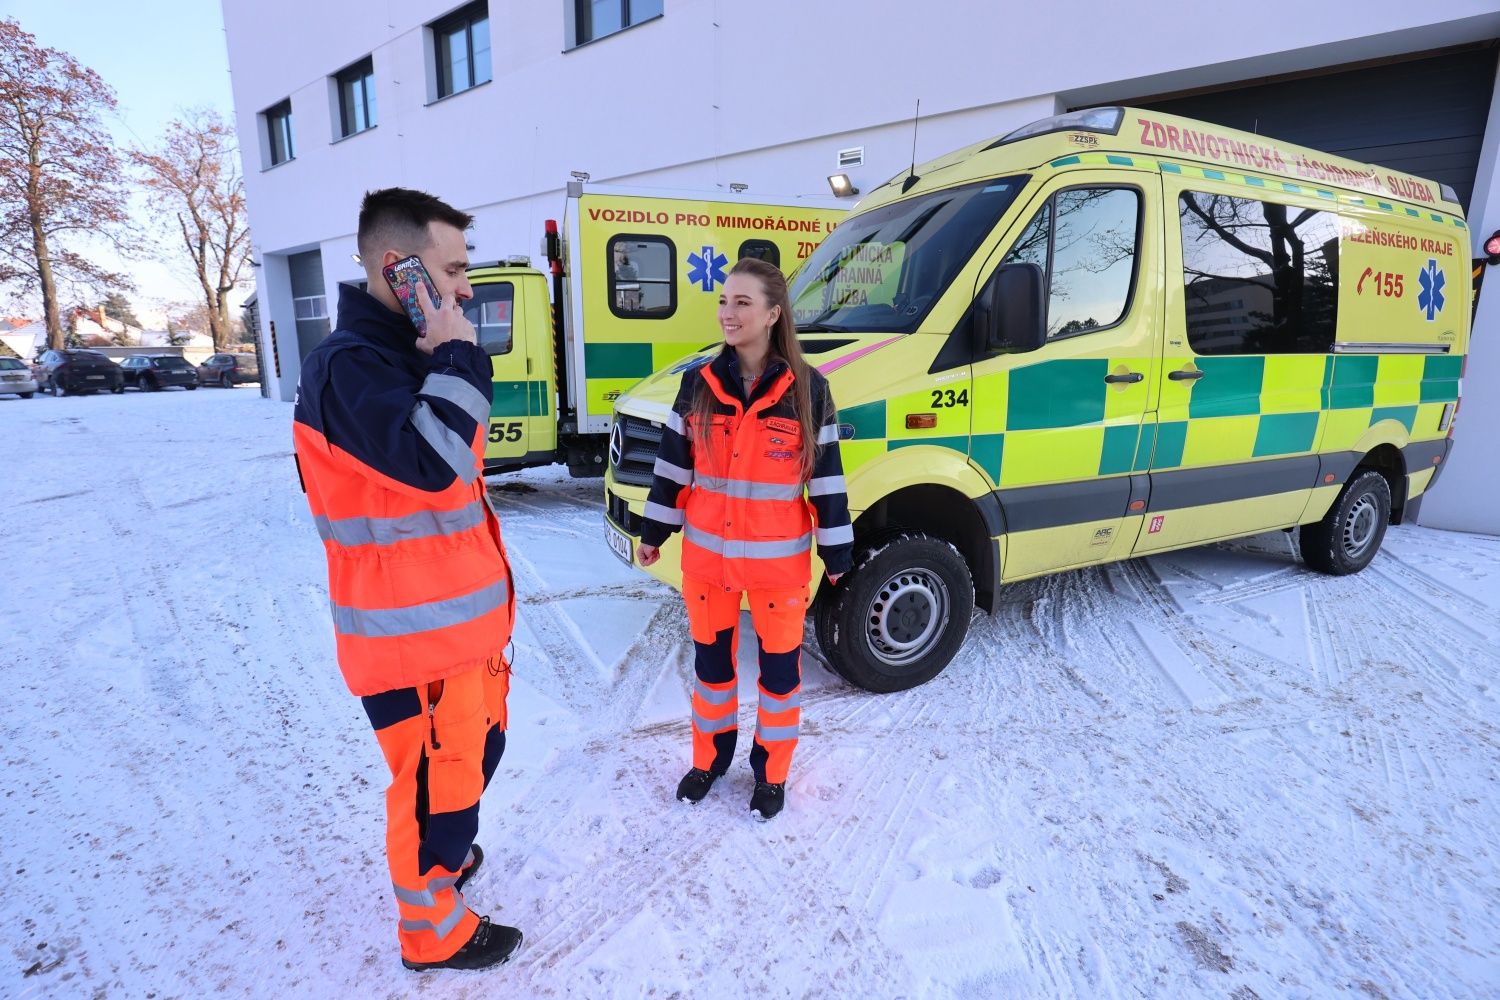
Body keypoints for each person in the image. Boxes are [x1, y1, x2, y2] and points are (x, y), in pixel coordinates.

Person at [292, 188, 522, 972]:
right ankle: (433, 930)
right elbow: (431, 463)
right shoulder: (349, 371)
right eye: (453, 270)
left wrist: (440, 356)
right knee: (434, 793)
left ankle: (446, 865)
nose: (465, 288)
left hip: (459, 635)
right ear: (399, 269)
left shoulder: (400, 359)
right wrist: (458, 354)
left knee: (470, 767)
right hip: (410, 644)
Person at [635, 257, 853, 821]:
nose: (727, 314)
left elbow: (826, 479)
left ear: (773, 314)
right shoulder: (697, 384)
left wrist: (837, 552)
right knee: (712, 671)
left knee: (780, 678)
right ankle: (709, 760)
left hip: (779, 569)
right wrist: (654, 530)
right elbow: (672, 468)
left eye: (742, 303)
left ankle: (772, 772)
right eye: (723, 302)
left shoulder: (808, 389)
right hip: (707, 563)